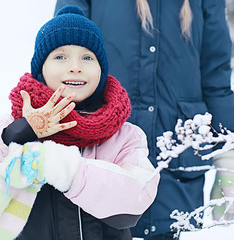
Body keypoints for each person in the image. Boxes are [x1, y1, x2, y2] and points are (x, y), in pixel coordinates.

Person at [0, 5, 160, 240]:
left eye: (87, 57)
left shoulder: (125, 136)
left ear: (101, 69)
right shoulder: (12, 124)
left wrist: (62, 168)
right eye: (60, 56)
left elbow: (133, 202)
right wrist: (20, 132)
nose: (75, 66)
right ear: (41, 68)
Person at [54, 0, 234, 239]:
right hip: (103, 162)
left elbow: (216, 77)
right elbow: (61, 64)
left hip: (175, 163)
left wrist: (228, 162)